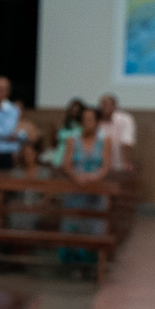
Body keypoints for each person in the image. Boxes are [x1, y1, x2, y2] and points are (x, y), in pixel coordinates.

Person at [60, 105, 111, 265]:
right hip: (76, 188)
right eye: (84, 120)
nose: (87, 123)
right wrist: (76, 176)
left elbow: (106, 165)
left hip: (95, 189)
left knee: (94, 225)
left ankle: (92, 263)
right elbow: (66, 164)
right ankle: (71, 262)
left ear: (97, 122)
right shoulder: (72, 140)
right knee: (73, 223)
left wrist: (94, 177)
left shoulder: (105, 141)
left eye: (90, 120)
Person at [97, 93, 136, 173]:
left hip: (118, 165)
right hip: (97, 165)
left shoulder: (125, 119)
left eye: (109, 105)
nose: (106, 108)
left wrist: (126, 163)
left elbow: (127, 142)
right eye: (104, 105)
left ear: (115, 106)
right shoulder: (95, 120)